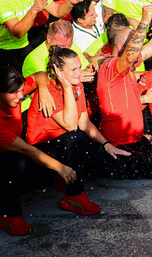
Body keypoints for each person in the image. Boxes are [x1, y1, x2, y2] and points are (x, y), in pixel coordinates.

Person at [0, 67, 75, 236]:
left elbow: (39, 75)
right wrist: (61, 167)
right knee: (17, 159)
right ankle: (9, 215)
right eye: (15, 93)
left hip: (15, 152)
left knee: (43, 172)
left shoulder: (14, 92)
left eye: (22, 91)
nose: (21, 97)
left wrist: (42, 89)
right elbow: (27, 150)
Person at [27, 46, 128, 215]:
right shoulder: (51, 89)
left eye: (79, 67)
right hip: (40, 153)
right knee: (77, 138)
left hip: (64, 144)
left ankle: (68, 179)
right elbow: (72, 126)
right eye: (73, 69)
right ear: (59, 71)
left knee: (115, 166)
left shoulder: (77, 85)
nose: (79, 72)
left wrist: (106, 143)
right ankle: (73, 196)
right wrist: (67, 89)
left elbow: (84, 122)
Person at [93, 3, 152, 179]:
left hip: (133, 139)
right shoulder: (110, 66)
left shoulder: (125, 64)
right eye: (134, 40)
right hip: (120, 143)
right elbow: (130, 54)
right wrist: (144, 22)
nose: (140, 44)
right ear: (122, 45)